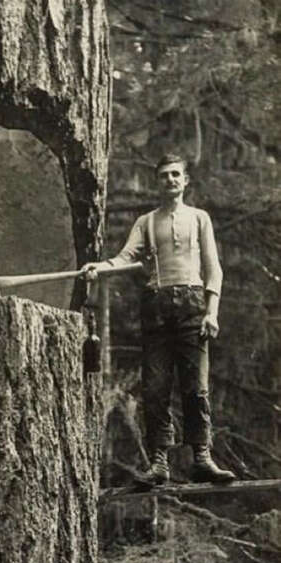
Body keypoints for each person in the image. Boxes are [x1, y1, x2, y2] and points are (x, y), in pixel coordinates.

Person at [83, 153, 235, 486]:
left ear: (185, 180)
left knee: (196, 388)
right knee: (155, 389)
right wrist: (99, 268)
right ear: (157, 181)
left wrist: (212, 312)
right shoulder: (146, 222)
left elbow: (214, 270)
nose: (170, 180)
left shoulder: (199, 219)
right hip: (156, 311)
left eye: (176, 174)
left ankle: (202, 458)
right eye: (164, 175)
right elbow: (124, 258)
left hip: (193, 307)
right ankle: (159, 463)